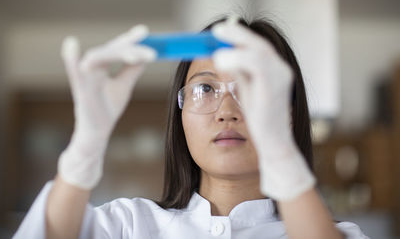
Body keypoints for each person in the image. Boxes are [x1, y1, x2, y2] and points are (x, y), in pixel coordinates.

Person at [13, 15, 369, 239]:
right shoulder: (128, 226)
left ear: (289, 110)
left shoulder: (334, 234)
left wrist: (283, 159)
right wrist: (86, 143)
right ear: (179, 115)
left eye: (249, 88)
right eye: (205, 89)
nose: (226, 111)